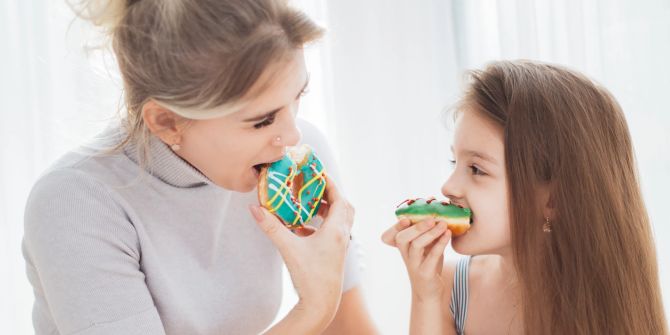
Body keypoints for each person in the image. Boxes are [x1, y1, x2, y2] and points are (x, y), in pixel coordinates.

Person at [22, 0, 376, 334]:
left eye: (298, 96)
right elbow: (323, 313)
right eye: (262, 121)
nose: (292, 133)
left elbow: (350, 327)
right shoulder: (77, 204)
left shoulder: (295, 162)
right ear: (167, 122)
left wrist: (428, 292)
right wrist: (312, 310)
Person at [382, 60, 667, 334]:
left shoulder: (607, 300)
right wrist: (425, 296)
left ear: (552, 200)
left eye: (477, 170)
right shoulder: (447, 287)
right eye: (453, 162)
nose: (448, 187)